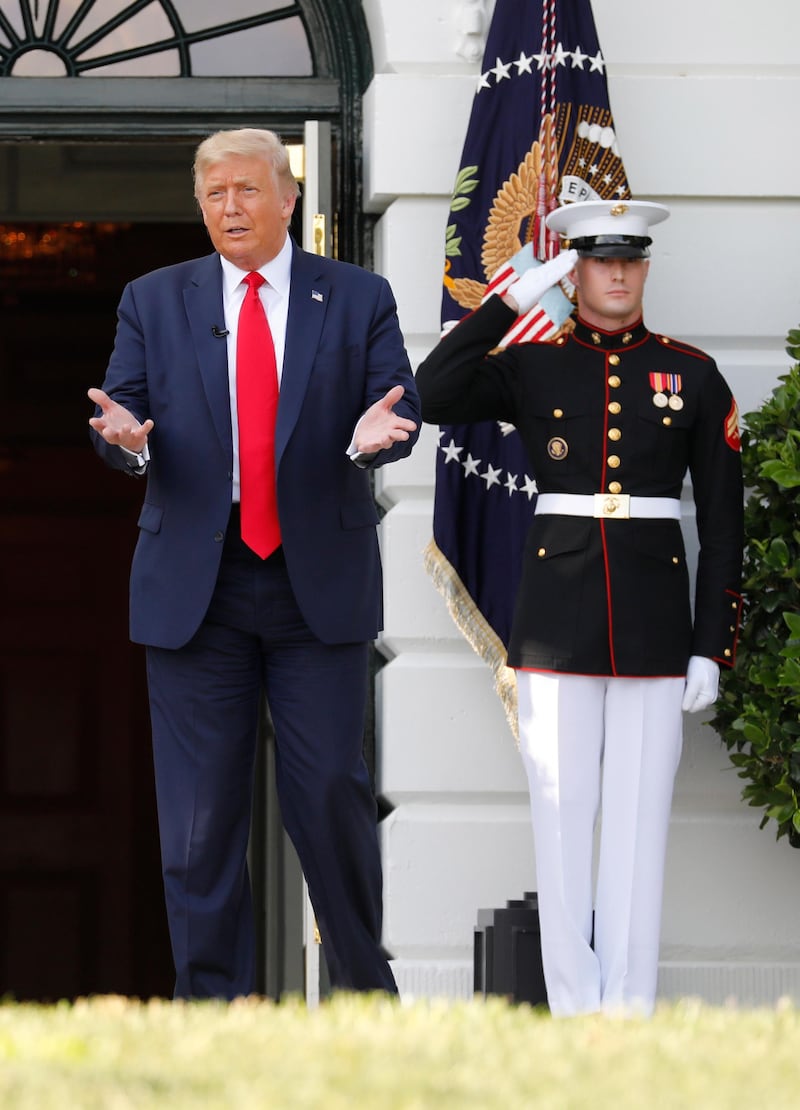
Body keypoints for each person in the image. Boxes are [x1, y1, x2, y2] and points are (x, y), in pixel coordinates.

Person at [88, 127, 420, 1000]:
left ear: (286, 198)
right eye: (213, 195)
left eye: (245, 191)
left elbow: (397, 400)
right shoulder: (153, 299)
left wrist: (376, 437)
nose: (229, 208)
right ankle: (215, 1015)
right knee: (199, 824)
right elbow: (124, 416)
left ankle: (363, 998)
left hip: (317, 584)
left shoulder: (356, 296)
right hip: (199, 588)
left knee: (330, 798)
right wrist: (126, 444)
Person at [415, 199, 743, 1016]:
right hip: (557, 620)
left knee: (639, 825)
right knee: (559, 815)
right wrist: (510, 303)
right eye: (600, 261)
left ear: (645, 268)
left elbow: (728, 524)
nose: (619, 274)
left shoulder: (692, 373)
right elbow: (432, 389)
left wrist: (712, 645)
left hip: (655, 622)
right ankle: (573, 1010)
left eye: (632, 259)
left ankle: (627, 1010)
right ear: (578, 270)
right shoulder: (535, 365)